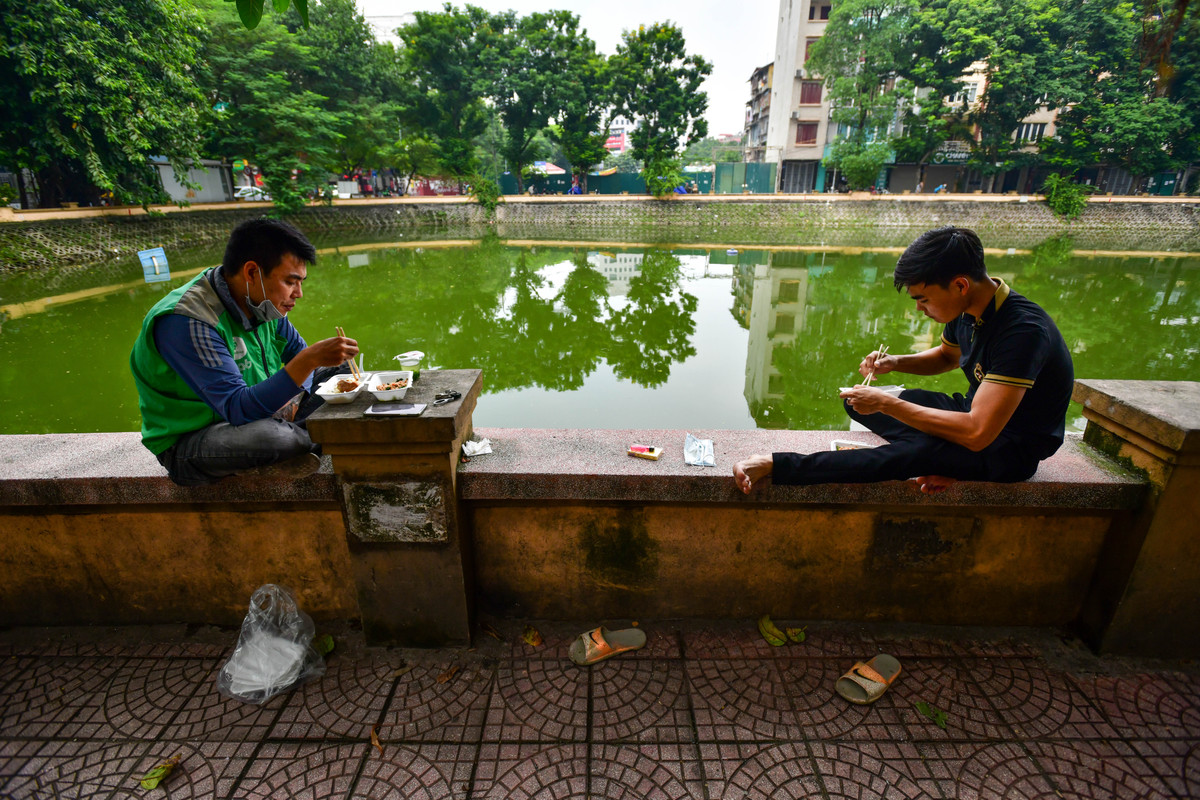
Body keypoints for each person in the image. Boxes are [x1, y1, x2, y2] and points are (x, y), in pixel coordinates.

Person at [733, 226, 1073, 494]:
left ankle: (775, 464)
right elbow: (945, 357)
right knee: (856, 402)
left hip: (1007, 446)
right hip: (972, 416)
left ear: (959, 285)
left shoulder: (1023, 331)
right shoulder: (968, 305)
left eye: (923, 299)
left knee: (908, 454)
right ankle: (940, 451)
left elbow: (978, 434)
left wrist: (887, 404)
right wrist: (894, 362)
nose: (919, 308)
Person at [130, 218, 359, 486]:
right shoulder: (188, 320)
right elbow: (237, 408)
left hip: (264, 413)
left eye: (300, 282)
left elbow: (301, 365)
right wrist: (308, 361)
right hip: (196, 440)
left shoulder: (265, 304)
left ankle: (299, 443)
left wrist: (308, 367)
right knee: (275, 438)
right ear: (252, 272)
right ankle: (301, 440)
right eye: (290, 282)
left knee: (341, 370)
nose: (299, 293)